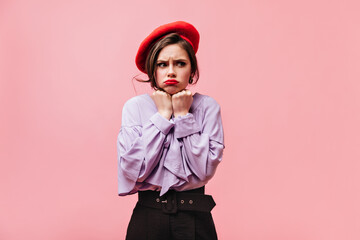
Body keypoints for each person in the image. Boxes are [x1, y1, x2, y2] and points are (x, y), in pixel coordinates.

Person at [117, 21, 225, 240]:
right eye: (162, 64)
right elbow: (133, 171)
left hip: (195, 219)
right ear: (152, 69)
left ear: (192, 69)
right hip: (148, 219)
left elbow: (203, 170)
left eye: (180, 63)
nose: (171, 71)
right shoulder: (134, 107)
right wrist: (162, 117)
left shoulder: (207, 107)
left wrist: (184, 116)